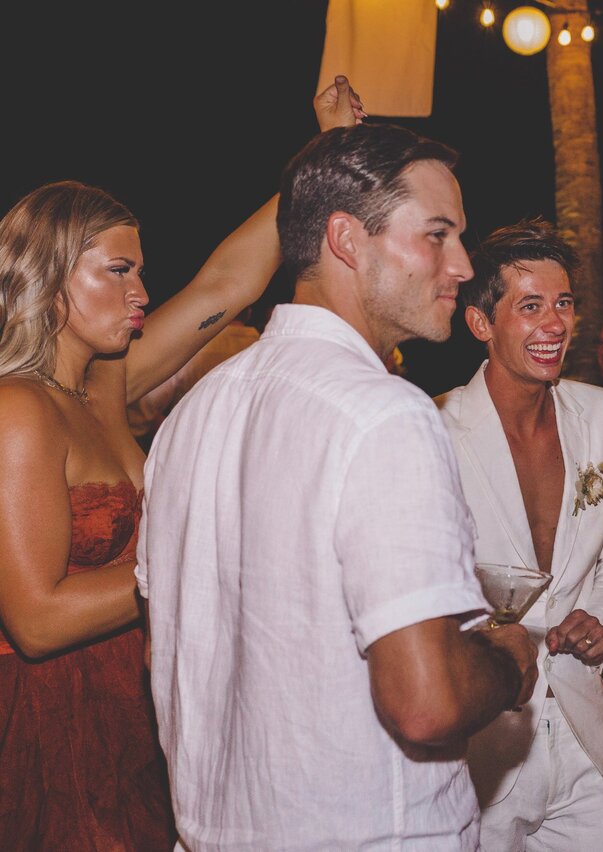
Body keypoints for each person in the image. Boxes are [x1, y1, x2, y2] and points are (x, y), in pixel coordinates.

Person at [137, 124, 538, 850]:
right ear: (348, 240)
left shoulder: (192, 415)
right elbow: (426, 702)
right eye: (438, 236)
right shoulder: (385, 414)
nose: (462, 266)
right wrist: (508, 660)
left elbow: (175, 650)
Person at [0, 76, 364, 849]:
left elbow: (226, 284)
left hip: (135, 696)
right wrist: (197, 559)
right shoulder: (17, 410)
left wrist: (323, 154)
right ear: (51, 278)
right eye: (118, 271)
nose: (142, 290)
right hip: (47, 717)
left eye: (139, 269)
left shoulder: (102, 384)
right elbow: (34, 619)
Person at [438, 218, 603, 851]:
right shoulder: (432, 428)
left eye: (563, 304)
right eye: (530, 306)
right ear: (481, 322)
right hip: (482, 747)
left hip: (588, 737)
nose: (553, 324)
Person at [126, 306, 260, 446]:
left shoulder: (192, 347)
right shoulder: (261, 349)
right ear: (248, 314)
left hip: (189, 447)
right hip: (247, 449)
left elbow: (145, 410)